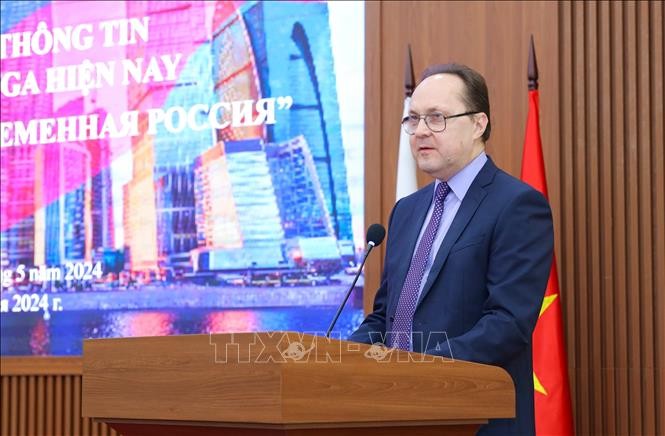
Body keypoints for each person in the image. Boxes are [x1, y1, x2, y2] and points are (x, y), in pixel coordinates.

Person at [348, 63, 554, 436]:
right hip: (393, 415)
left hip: (474, 418)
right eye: (413, 119)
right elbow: (385, 317)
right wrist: (340, 360)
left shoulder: (516, 205)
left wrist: (417, 371)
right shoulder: (406, 211)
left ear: (478, 124)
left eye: (436, 118)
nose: (420, 131)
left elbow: (507, 323)